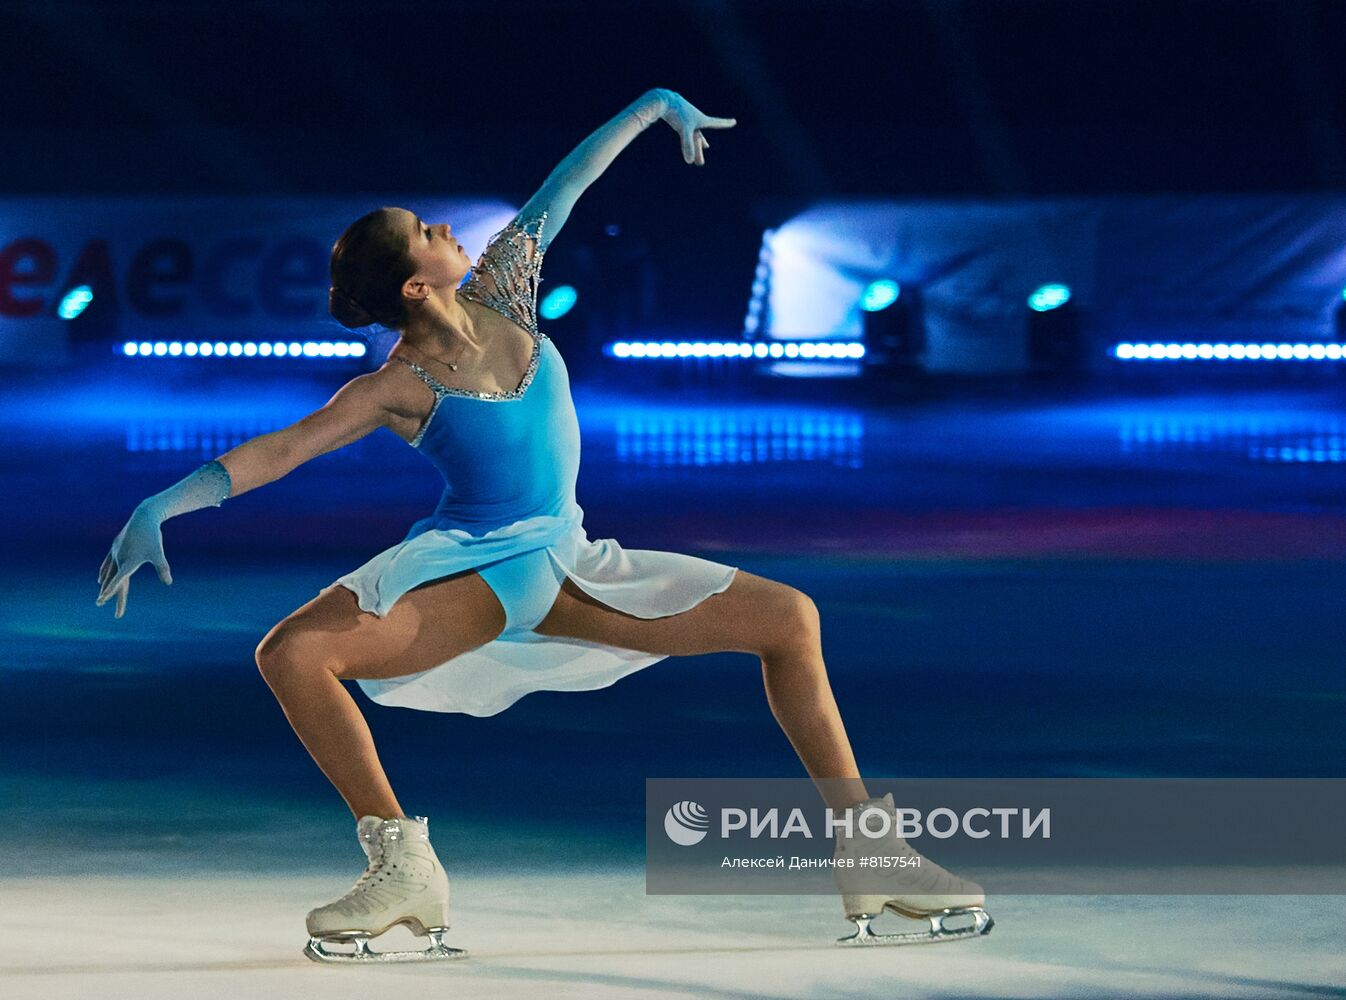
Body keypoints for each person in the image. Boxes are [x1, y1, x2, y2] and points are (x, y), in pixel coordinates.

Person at [95, 88, 990, 962]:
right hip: (476, 573)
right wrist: (160, 504)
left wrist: (653, 106)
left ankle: (870, 851)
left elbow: (564, 186)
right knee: (291, 653)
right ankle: (402, 864)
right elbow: (283, 450)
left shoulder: (508, 291)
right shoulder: (394, 385)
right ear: (415, 282)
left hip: (571, 561)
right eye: (428, 233)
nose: (449, 231)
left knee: (790, 619)